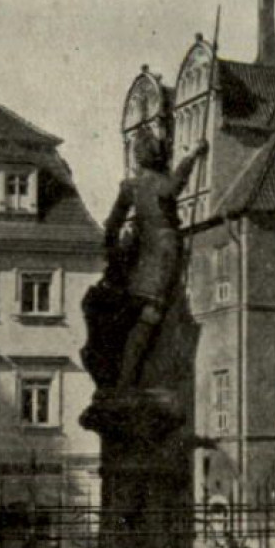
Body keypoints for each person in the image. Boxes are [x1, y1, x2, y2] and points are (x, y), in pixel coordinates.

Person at [100, 129, 209, 391]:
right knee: (153, 317)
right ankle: (129, 382)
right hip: (163, 255)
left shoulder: (130, 186)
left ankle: (125, 379)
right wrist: (192, 155)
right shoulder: (159, 182)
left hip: (139, 256)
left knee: (139, 317)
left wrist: (112, 254)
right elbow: (174, 187)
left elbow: (112, 224)